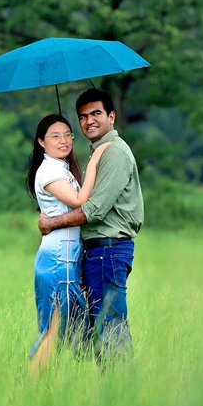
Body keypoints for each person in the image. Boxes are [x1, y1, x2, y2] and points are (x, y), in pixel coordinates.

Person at [37, 88, 143, 361]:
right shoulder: (96, 153)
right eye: (82, 116)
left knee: (110, 328)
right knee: (98, 330)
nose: (88, 121)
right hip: (97, 252)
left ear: (111, 116)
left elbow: (93, 210)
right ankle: (110, 394)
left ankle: (120, 394)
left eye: (96, 113)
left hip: (108, 249)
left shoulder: (113, 153)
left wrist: (52, 223)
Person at [26, 113, 110, 369]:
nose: (63, 140)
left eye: (67, 134)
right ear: (41, 142)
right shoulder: (50, 169)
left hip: (66, 261)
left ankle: (42, 388)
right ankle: (29, 388)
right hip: (57, 262)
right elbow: (79, 201)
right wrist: (95, 159)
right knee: (53, 331)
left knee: (64, 331)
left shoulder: (61, 167)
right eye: (55, 136)